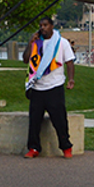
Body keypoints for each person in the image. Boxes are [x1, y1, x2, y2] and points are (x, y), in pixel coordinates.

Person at [22, 16, 76, 158]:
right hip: (37, 88)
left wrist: (71, 79)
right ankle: (33, 148)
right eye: (41, 25)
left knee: (59, 120)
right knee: (34, 121)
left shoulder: (61, 43)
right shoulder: (36, 44)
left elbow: (69, 62)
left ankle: (66, 147)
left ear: (52, 26)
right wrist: (30, 43)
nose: (43, 28)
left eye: (45, 25)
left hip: (55, 86)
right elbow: (25, 59)